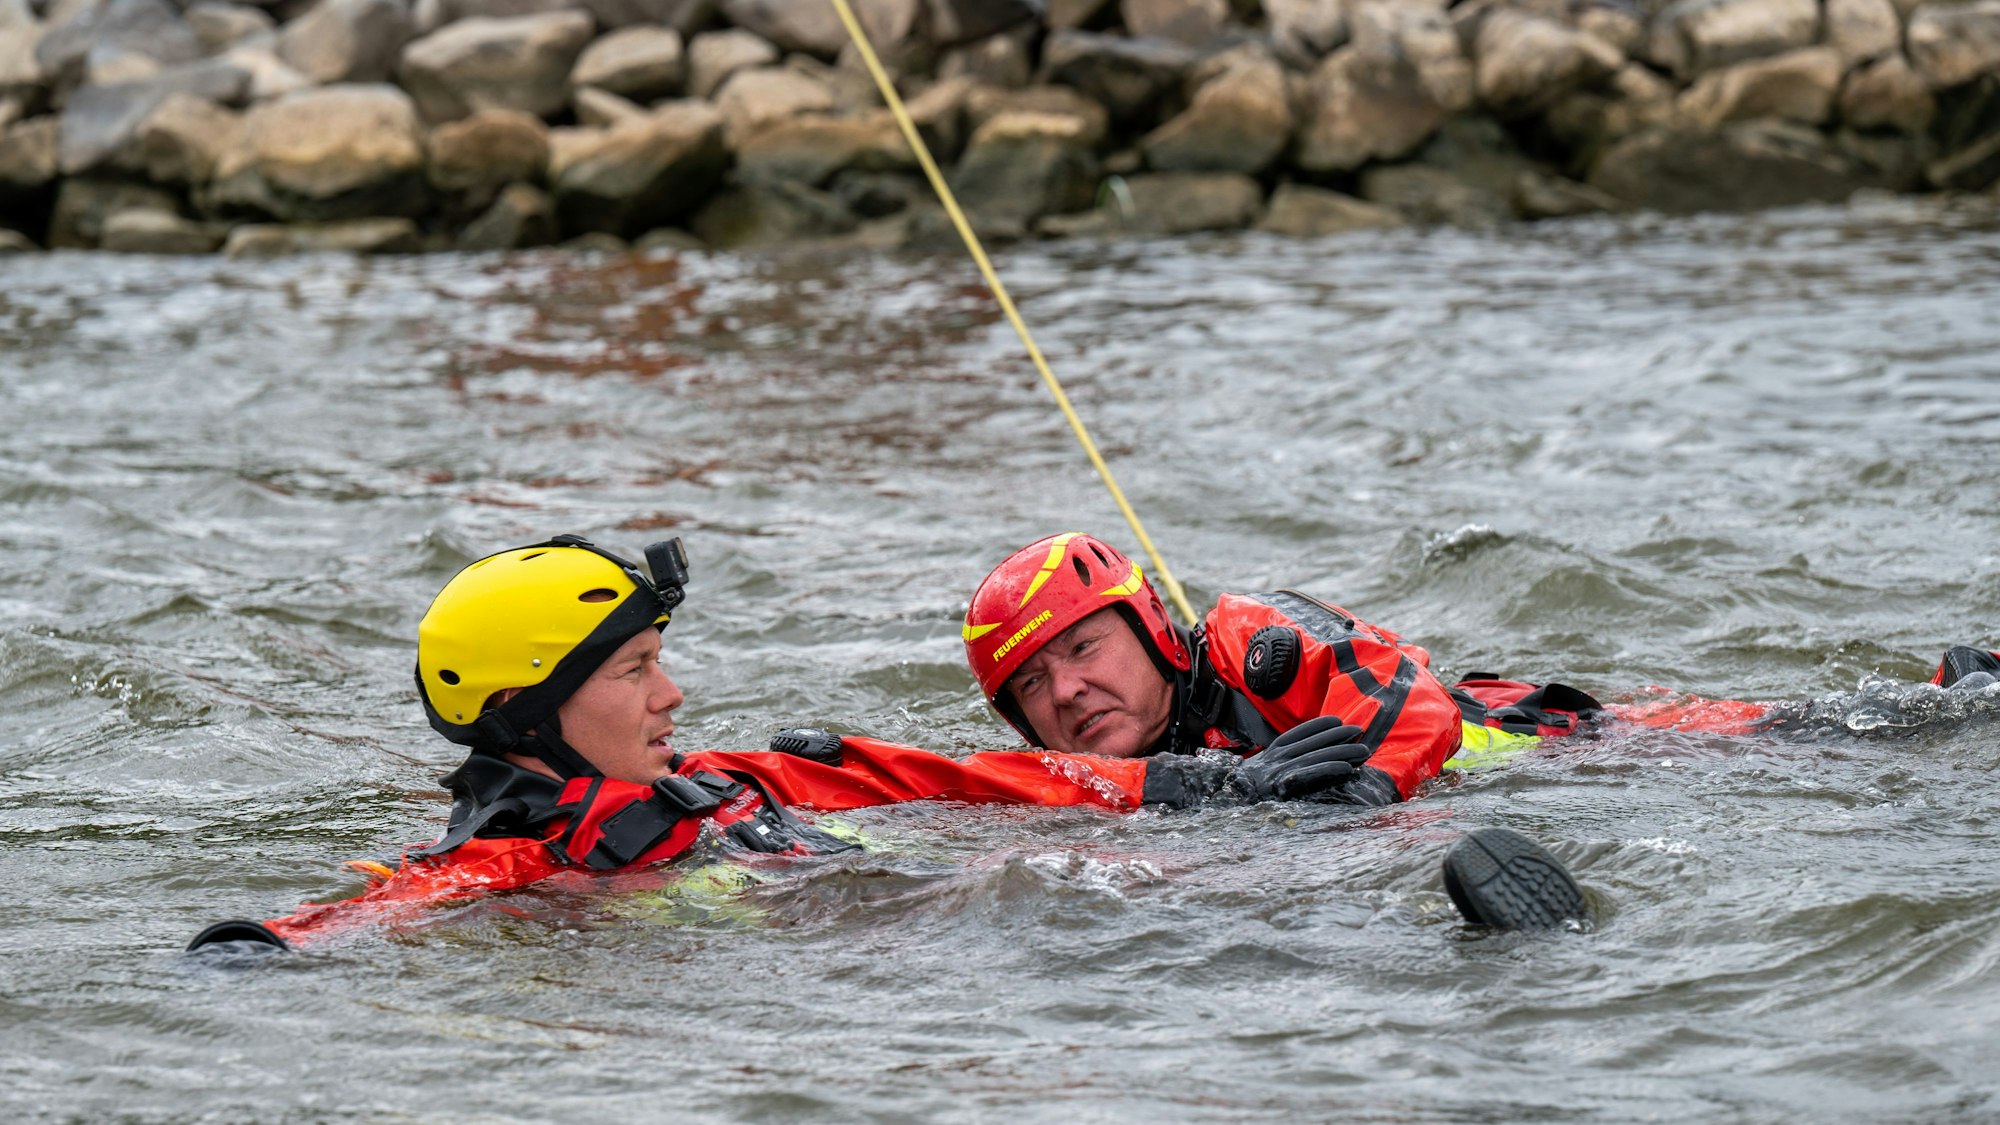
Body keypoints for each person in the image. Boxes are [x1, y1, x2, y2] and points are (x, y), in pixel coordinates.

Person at [187, 534, 1579, 953]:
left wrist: (1179, 782)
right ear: (530, 711)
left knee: (1142, 877)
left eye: (662, 661)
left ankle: (1493, 924)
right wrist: (282, 941)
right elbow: (403, 896)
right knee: (1117, 899)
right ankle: (1487, 932)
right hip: (906, 936)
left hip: (950, 895)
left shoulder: (735, 779)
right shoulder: (516, 857)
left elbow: (956, 781)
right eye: (639, 668)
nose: (674, 695)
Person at [959, 531, 2000, 800]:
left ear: (1147, 628)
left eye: (1082, 649)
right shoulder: (1090, 783)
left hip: (1582, 753)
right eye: (1031, 689)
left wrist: (1352, 799)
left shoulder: (1256, 638)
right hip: (1471, 814)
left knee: (1843, 742)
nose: (1067, 693)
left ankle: (1961, 686)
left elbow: (1405, 703)